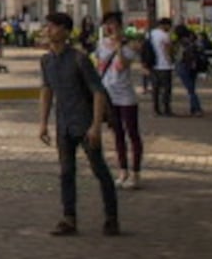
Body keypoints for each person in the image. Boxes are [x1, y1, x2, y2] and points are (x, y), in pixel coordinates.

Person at [38, 12, 120, 236]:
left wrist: (95, 126)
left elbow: (98, 92)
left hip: (84, 123)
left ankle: (111, 217)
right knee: (66, 172)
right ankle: (69, 218)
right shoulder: (46, 61)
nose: (49, 30)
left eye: (54, 27)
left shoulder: (79, 59)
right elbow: (47, 91)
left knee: (99, 170)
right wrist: (43, 123)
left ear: (65, 31)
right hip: (63, 124)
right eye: (48, 26)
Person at [94, 13, 143, 189]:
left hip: (126, 96)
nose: (109, 28)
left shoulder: (129, 46)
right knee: (118, 134)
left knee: (132, 133)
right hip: (109, 95)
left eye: (112, 24)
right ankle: (123, 170)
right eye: (106, 24)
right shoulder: (101, 44)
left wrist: (119, 47)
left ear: (120, 26)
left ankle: (136, 173)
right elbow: (99, 66)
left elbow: (122, 65)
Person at [173, 24, 204, 117]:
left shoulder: (180, 43)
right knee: (192, 87)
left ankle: (197, 108)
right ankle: (193, 108)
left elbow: (178, 56)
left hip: (183, 65)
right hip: (193, 66)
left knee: (190, 89)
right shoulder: (193, 41)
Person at [148, 18, 174, 116]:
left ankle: (156, 109)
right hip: (164, 66)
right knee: (166, 89)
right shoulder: (165, 35)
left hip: (153, 65)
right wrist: (170, 62)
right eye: (169, 26)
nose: (169, 28)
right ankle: (166, 109)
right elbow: (167, 51)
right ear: (165, 25)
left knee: (155, 89)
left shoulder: (150, 34)